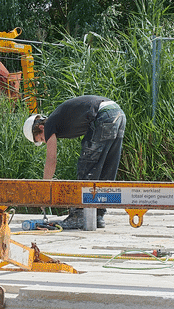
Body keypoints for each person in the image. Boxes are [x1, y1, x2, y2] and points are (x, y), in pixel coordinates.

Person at [25, 95, 126, 228]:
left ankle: (79, 215)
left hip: (104, 115)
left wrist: (44, 191)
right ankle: (98, 215)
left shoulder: (49, 124)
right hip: (118, 113)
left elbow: (51, 159)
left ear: (40, 128)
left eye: (41, 139)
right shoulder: (59, 119)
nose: (45, 141)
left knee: (87, 166)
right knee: (107, 168)